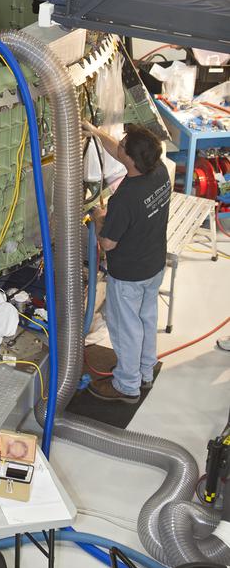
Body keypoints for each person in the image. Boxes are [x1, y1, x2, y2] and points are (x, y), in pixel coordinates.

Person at [82, 121, 171, 404]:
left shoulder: (125, 197)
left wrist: (98, 219)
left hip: (129, 273)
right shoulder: (159, 172)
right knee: (146, 319)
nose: (118, 146)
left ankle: (127, 385)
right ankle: (144, 372)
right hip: (153, 263)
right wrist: (95, 133)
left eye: (122, 145)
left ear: (130, 159)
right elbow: (120, 151)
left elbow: (108, 243)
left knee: (125, 328)